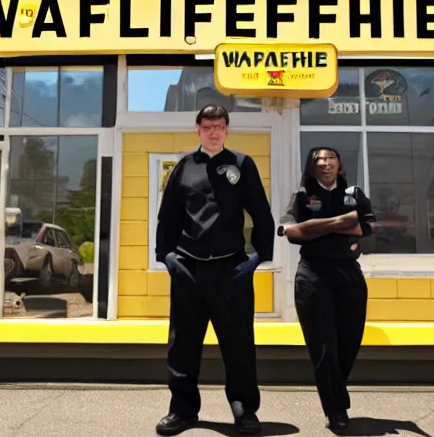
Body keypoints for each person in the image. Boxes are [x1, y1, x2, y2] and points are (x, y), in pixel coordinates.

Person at [155, 104, 275, 436]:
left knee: (238, 345)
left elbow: (260, 214)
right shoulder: (183, 167)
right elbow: (168, 217)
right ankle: (182, 411)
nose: (213, 132)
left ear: (227, 129)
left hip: (231, 271)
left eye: (219, 126)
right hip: (188, 270)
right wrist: (167, 257)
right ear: (198, 129)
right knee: (182, 344)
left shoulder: (241, 164)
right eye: (207, 126)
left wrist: (255, 260)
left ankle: (244, 410)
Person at [277, 147, 376, 431]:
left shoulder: (354, 194)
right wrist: (341, 223)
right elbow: (290, 232)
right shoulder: (301, 196)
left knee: (349, 339)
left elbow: (367, 226)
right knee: (322, 345)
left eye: (330, 158)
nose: (325, 163)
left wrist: (314, 228)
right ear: (311, 166)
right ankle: (336, 409)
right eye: (318, 159)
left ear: (339, 163)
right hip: (312, 274)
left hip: (348, 272)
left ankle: (336, 393)